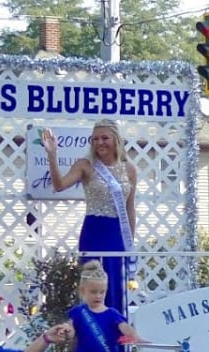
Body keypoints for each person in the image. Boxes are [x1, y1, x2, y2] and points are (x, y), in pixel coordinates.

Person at [43, 120, 138, 328]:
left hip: (117, 234)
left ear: (116, 140)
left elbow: (130, 208)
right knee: (92, 288)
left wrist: (131, 242)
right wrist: (52, 154)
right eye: (95, 139)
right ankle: (91, 338)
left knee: (115, 288)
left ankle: (117, 349)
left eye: (104, 138)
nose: (100, 143)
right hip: (94, 232)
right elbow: (59, 185)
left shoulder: (129, 169)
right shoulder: (85, 165)